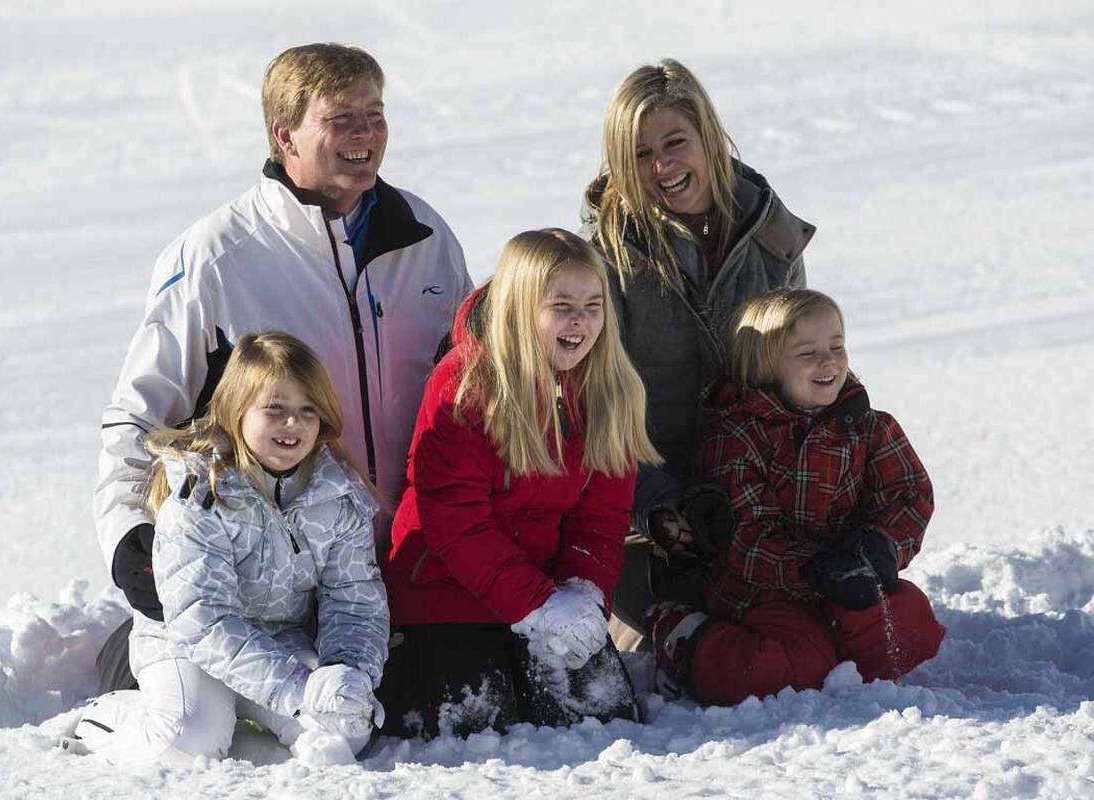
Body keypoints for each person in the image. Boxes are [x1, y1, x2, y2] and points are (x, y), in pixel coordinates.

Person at [93, 43, 471, 690]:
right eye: (340, 117)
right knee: (217, 722)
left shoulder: (425, 238)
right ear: (284, 134)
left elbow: (470, 389)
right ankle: (129, 671)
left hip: (393, 567)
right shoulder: (218, 256)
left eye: (374, 113)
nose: (365, 133)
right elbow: (140, 413)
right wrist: (128, 534)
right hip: (268, 578)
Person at [377, 229, 661, 739]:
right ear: (518, 308)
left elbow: (601, 519)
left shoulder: (610, 388)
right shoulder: (465, 384)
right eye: (561, 305)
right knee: (477, 725)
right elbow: (456, 524)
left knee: (603, 716)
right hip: (445, 589)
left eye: (594, 305)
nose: (580, 321)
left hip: (549, 590)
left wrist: (582, 594)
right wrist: (536, 605)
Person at [579, 58, 817, 650]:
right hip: (652, 519)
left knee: (827, 639)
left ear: (708, 136)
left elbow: (805, 372)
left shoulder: (769, 233)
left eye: (675, 142)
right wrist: (658, 509)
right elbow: (598, 410)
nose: (662, 166)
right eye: (639, 154)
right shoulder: (608, 258)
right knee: (702, 655)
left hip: (757, 503)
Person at [70, 333, 388, 762]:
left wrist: (348, 675)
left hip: (277, 640)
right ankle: (113, 717)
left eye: (306, 410)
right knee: (185, 743)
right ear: (237, 409)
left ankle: (245, 724)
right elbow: (202, 620)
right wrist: (297, 688)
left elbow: (355, 600)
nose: (292, 423)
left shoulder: (337, 494)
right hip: (188, 645)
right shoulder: (201, 491)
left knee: (344, 728)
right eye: (275, 409)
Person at [647, 289, 945, 705]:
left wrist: (881, 547)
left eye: (837, 347)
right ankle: (683, 636)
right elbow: (745, 536)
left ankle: (832, 648)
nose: (828, 362)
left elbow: (908, 494)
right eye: (807, 353)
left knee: (910, 624)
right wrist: (812, 568)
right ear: (766, 363)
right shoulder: (737, 435)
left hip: (845, 580)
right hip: (760, 590)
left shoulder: (867, 426)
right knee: (782, 671)